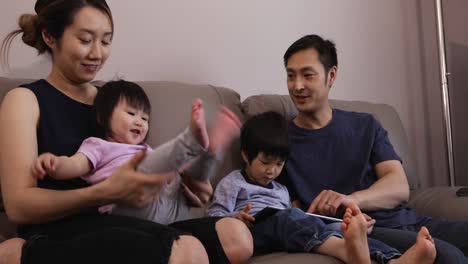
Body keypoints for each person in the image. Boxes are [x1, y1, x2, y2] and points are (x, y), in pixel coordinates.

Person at [0, 1, 253, 263]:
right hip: (61, 228)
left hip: (126, 218)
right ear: (50, 36)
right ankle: (24, 254)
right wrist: (106, 193)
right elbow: (19, 207)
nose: (97, 53)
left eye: (106, 41)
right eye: (85, 40)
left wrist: (188, 181)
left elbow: (140, 162)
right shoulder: (25, 99)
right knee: (188, 251)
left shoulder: (116, 101)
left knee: (236, 236)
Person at [278, 34, 468, 263]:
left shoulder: (365, 125)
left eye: (307, 75)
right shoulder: (281, 143)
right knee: (449, 257)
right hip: (364, 231)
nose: (297, 86)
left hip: (407, 220)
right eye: (291, 76)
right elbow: (287, 210)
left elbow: (398, 186)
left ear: (332, 75)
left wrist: (353, 199)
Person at [208, 111, 436, 264]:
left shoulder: (281, 189)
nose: (272, 171)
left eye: (279, 164)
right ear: (246, 156)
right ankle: (347, 252)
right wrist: (236, 219)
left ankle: (393, 259)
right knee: (288, 218)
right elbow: (214, 219)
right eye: (265, 163)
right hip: (253, 232)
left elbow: (301, 217)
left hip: (286, 227)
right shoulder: (233, 182)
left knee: (328, 226)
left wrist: (343, 223)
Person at [31, 79, 241, 223]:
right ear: (102, 117)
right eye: (131, 113)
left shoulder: (145, 149)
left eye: (144, 118)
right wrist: (55, 164)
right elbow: (75, 165)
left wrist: (183, 182)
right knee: (150, 167)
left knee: (187, 170)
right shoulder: (98, 145)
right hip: (128, 205)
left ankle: (210, 152)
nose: (139, 121)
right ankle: (191, 141)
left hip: (170, 208)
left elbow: (171, 175)